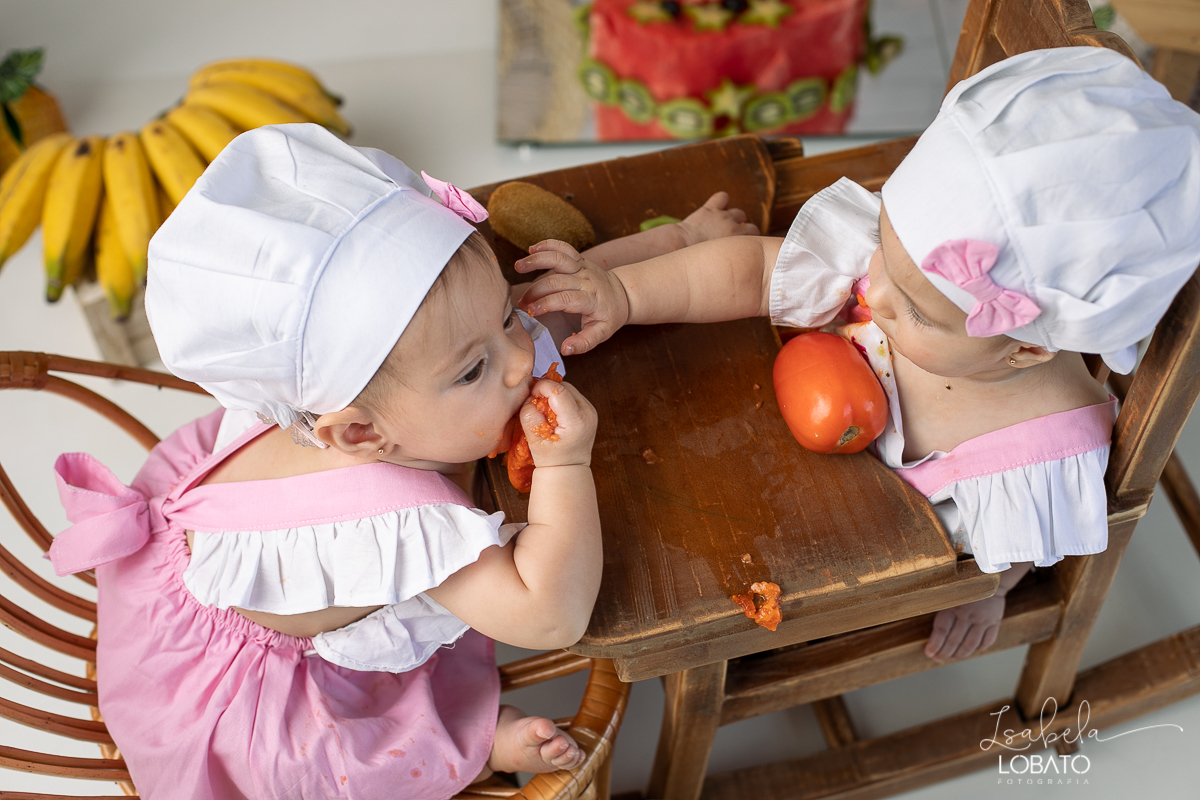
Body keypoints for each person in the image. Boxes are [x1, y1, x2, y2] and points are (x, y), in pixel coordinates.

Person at [45, 124, 756, 799]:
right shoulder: (399, 518)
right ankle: (480, 743)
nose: (520, 356)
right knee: (352, 765)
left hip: (214, 531)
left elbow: (554, 303)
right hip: (266, 703)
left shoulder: (429, 364)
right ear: (360, 436)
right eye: (474, 371)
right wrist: (567, 466)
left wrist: (679, 241)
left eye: (503, 319)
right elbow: (549, 613)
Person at [516, 46, 1200, 663]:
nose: (875, 289)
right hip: (750, 442)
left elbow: (1017, 540)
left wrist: (990, 587)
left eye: (916, 310)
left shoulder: (1036, 449)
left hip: (829, 540)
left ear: (1025, 346)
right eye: (884, 254)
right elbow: (750, 273)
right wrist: (625, 294)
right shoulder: (908, 266)